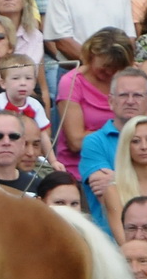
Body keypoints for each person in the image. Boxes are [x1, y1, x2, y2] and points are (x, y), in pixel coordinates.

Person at [77, 63, 147, 230]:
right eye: (124, 95)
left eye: (138, 95)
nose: (130, 101)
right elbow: (105, 195)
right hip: (107, 242)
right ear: (111, 101)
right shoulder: (94, 142)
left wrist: (117, 181)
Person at [57, 29, 137, 176]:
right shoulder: (72, 82)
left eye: (116, 69)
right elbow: (76, 142)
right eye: (105, 67)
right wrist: (122, 133)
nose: (110, 73)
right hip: (82, 171)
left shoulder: (131, 81)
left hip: (126, 169)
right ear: (91, 55)